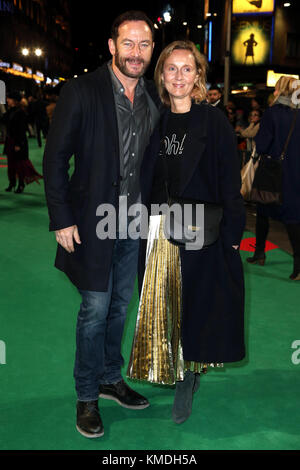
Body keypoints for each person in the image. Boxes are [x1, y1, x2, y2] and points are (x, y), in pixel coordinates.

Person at [43, 10, 160, 438]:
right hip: (91, 220)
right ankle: (87, 395)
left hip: (133, 221)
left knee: (119, 305)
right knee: (94, 308)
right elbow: (56, 158)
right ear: (112, 46)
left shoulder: (152, 98)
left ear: (151, 49)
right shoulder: (82, 91)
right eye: (127, 43)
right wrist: (62, 218)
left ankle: (111, 378)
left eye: (144, 44)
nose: (135, 52)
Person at [127, 40, 246, 424]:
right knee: (164, 304)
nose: (179, 76)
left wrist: (232, 233)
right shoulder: (155, 120)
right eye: (171, 69)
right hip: (161, 229)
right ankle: (173, 368)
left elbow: (230, 182)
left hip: (201, 228)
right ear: (161, 75)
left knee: (197, 305)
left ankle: (188, 376)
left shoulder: (214, 123)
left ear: (198, 76)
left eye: (187, 69)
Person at [246, 76, 300, 281]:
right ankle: (297, 265)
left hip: (273, 170)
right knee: (293, 217)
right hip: (295, 171)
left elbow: (263, 143)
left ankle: (259, 252)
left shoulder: (273, 113)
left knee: (263, 208)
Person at [3, 91, 42, 193]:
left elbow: (21, 129)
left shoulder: (20, 113)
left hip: (18, 142)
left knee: (19, 164)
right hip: (10, 140)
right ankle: (12, 183)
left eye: (9, 98)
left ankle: (21, 184)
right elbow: (3, 120)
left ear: (14, 101)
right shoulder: (10, 111)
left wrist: (18, 144)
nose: (7, 100)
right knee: (11, 164)